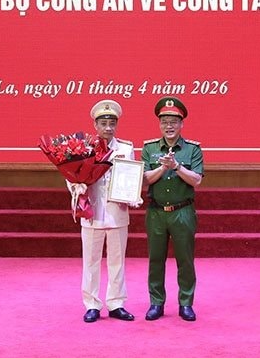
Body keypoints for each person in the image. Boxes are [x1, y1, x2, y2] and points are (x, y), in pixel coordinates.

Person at [73, 99, 136, 323]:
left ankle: (116, 303)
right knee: (90, 262)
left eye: (112, 123)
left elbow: (131, 177)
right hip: (92, 212)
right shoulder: (84, 149)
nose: (108, 128)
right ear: (95, 125)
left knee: (117, 262)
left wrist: (132, 194)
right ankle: (91, 304)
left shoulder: (126, 149)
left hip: (117, 212)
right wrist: (76, 187)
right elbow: (71, 176)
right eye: (103, 123)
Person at [141, 96, 203, 322]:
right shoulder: (149, 148)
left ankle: (186, 303)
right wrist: (162, 167)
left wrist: (176, 166)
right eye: (165, 121)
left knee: (185, 260)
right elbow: (144, 179)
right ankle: (156, 303)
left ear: (181, 124)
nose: (169, 126)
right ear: (159, 124)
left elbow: (196, 180)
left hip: (182, 212)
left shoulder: (192, 149)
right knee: (155, 260)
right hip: (156, 212)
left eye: (174, 122)